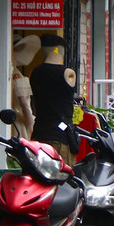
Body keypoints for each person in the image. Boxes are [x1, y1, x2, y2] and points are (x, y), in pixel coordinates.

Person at [28, 33, 78, 165]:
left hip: (38, 134)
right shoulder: (68, 73)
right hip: (60, 137)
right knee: (62, 180)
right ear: (60, 50)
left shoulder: (35, 72)